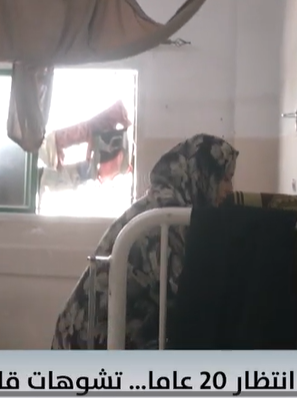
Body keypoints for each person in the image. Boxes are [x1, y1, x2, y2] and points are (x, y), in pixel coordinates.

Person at [51, 133, 239, 349]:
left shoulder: (165, 207)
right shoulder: (166, 219)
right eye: (224, 179)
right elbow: (188, 294)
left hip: (92, 336)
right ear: (201, 175)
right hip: (89, 345)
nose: (230, 190)